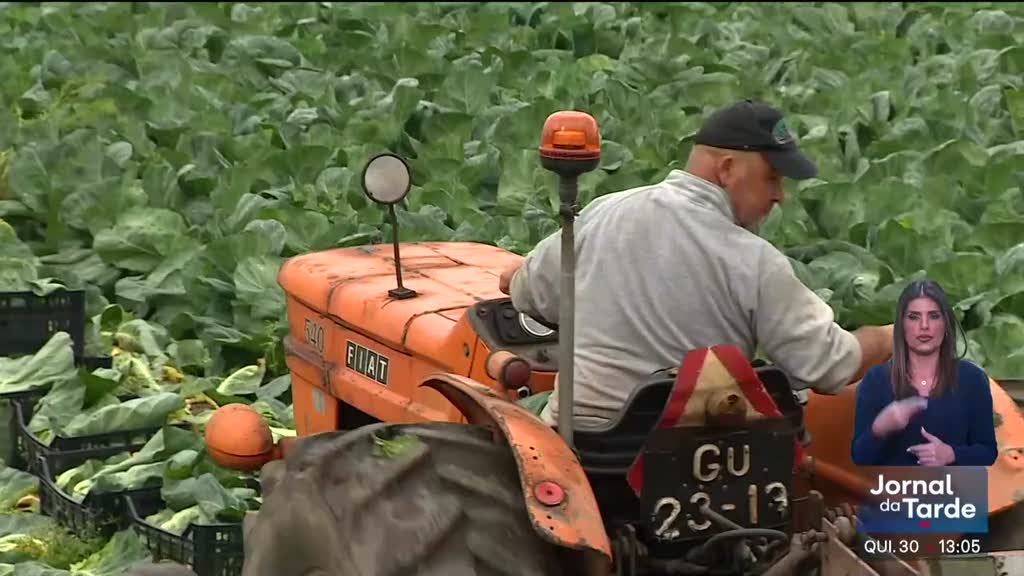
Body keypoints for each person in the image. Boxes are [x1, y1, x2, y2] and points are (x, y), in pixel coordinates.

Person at [499, 98, 895, 429]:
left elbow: (526, 294)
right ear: (727, 169)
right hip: (694, 465)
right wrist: (888, 338)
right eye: (772, 178)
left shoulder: (603, 213)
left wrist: (522, 274)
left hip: (578, 450)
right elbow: (829, 365)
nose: (780, 195)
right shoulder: (755, 262)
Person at [850, 279, 998, 466]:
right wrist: (879, 430)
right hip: (894, 485)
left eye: (934, 316)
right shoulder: (876, 380)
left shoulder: (973, 379)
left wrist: (952, 455)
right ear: (901, 326)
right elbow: (860, 457)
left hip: (954, 485)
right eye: (914, 317)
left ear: (946, 324)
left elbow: (988, 452)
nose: (924, 325)